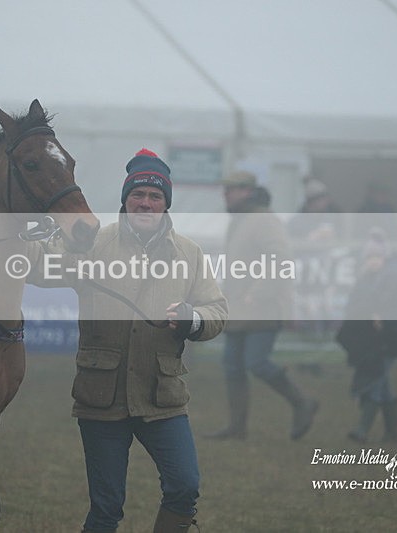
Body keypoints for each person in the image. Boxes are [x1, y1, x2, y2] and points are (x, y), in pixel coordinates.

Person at [27, 149, 227, 532]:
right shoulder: (90, 243)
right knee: (106, 508)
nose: (146, 203)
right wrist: (19, 232)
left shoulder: (190, 252)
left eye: (155, 196)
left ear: (166, 203)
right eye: (138, 195)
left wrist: (193, 319)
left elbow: (216, 311)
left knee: (185, 486)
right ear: (125, 199)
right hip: (102, 396)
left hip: (161, 396)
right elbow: (40, 264)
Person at [206, 171, 318, 441]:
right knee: (232, 365)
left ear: (247, 191)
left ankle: (302, 403)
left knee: (256, 362)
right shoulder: (241, 221)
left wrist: (259, 292)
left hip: (262, 306)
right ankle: (237, 427)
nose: (226, 195)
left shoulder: (265, 220)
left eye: (230, 190)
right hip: (238, 307)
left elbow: (280, 260)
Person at [336, 228, 397, 443]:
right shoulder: (363, 283)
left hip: (389, 340)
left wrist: (382, 315)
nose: (373, 261)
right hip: (371, 342)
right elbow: (355, 308)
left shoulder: (395, 284)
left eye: (377, 256)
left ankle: (362, 429)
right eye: (369, 257)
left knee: (375, 382)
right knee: (383, 383)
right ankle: (393, 432)